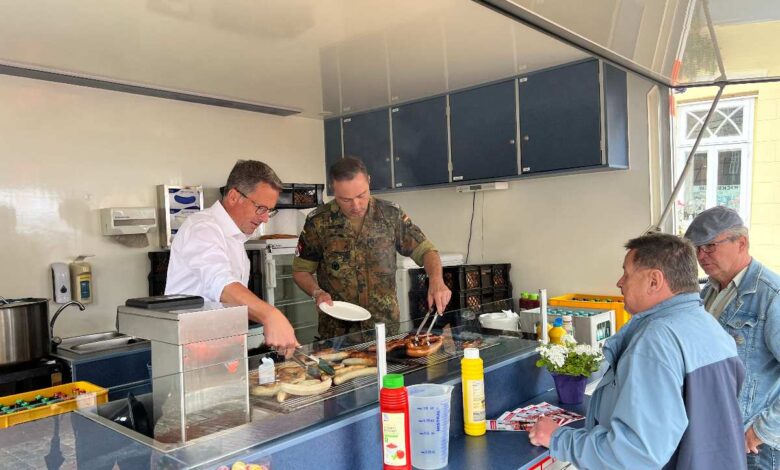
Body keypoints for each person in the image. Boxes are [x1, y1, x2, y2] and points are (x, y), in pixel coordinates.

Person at [529, 233, 746, 469]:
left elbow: (634, 455)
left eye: (627, 273)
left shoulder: (656, 341)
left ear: (654, 281)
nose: (619, 282)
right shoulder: (709, 326)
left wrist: (557, 437)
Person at [292, 157, 451, 339]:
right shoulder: (318, 222)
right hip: (337, 333)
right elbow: (301, 271)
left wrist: (437, 280)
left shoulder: (390, 215)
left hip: (384, 329)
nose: (356, 206)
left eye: (361, 195)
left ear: (368, 181)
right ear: (333, 189)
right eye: (346, 199)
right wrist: (317, 293)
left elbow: (426, 251)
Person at [166, 160, 298, 354]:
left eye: (269, 210)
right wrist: (270, 316)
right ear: (235, 196)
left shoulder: (236, 238)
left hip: (221, 349)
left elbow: (230, 302)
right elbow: (222, 285)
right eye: (261, 208)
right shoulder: (202, 228)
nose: (265, 218)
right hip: (190, 353)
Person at [685, 206, 780, 469]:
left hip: (754, 443)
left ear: (742, 242)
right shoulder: (708, 292)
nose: (701, 256)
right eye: (697, 248)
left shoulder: (771, 295)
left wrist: (760, 432)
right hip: (717, 431)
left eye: (710, 246)